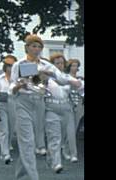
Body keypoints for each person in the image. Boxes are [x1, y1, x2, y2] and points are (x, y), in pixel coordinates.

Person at [10, 34, 81, 180]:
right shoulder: (19, 64)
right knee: (27, 142)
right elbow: (11, 86)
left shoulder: (46, 65)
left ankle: (21, 176)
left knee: (32, 142)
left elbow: (61, 77)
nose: (36, 49)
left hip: (40, 103)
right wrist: (18, 85)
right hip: (23, 102)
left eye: (39, 47)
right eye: (33, 46)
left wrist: (74, 82)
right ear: (27, 48)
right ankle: (33, 177)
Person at [44, 53, 83, 173]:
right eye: (57, 63)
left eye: (62, 63)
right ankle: (57, 163)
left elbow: (80, 86)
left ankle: (51, 157)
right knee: (54, 135)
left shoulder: (67, 77)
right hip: (51, 107)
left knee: (65, 134)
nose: (60, 65)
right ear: (52, 65)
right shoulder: (47, 78)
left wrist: (76, 83)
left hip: (66, 108)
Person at [0, 55, 17, 164]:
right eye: (8, 66)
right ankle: (5, 153)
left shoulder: (17, 79)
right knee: (4, 130)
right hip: (2, 103)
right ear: (5, 67)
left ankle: (7, 147)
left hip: (13, 104)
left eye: (12, 66)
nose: (10, 68)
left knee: (11, 130)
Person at [66, 59, 84, 132]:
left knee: (76, 125)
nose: (75, 68)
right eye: (73, 66)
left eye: (76, 66)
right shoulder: (65, 77)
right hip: (68, 102)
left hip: (78, 103)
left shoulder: (81, 79)